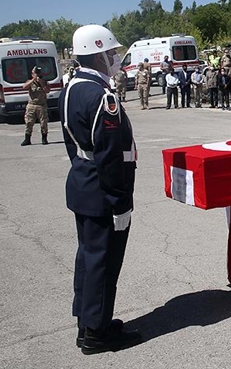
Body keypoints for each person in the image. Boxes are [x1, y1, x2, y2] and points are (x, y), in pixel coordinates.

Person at [60, 24, 140, 354]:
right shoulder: (100, 96)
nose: (116, 58)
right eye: (112, 53)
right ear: (99, 55)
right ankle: (97, 332)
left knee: (90, 259)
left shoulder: (72, 88)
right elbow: (108, 155)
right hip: (103, 193)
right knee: (104, 262)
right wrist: (119, 201)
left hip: (84, 183)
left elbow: (76, 145)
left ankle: (89, 320)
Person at [21, 66, 50, 146]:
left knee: (43, 123)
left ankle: (44, 138)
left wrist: (41, 82)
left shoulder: (44, 82)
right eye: (36, 73)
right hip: (32, 105)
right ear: (32, 74)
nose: (38, 75)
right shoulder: (30, 82)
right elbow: (24, 87)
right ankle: (27, 139)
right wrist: (33, 80)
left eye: (39, 73)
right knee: (29, 122)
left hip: (41, 105)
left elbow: (47, 90)